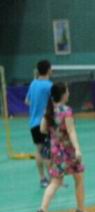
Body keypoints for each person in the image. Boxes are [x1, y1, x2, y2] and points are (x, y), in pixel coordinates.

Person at [36, 83, 93, 212]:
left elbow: (42, 129)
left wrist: (54, 131)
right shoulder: (66, 111)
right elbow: (71, 131)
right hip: (68, 151)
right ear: (63, 94)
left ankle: (43, 209)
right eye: (67, 91)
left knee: (56, 181)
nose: (69, 93)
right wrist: (77, 149)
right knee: (79, 178)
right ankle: (81, 209)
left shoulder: (49, 110)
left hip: (55, 151)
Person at [25, 59, 53, 188]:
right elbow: (54, 103)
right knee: (47, 151)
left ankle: (42, 179)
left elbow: (27, 101)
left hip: (33, 123)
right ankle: (52, 179)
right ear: (48, 70)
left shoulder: (33, 83)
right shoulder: (49, 85)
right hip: (44, 123)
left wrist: (36, 106)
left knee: (39, 150)